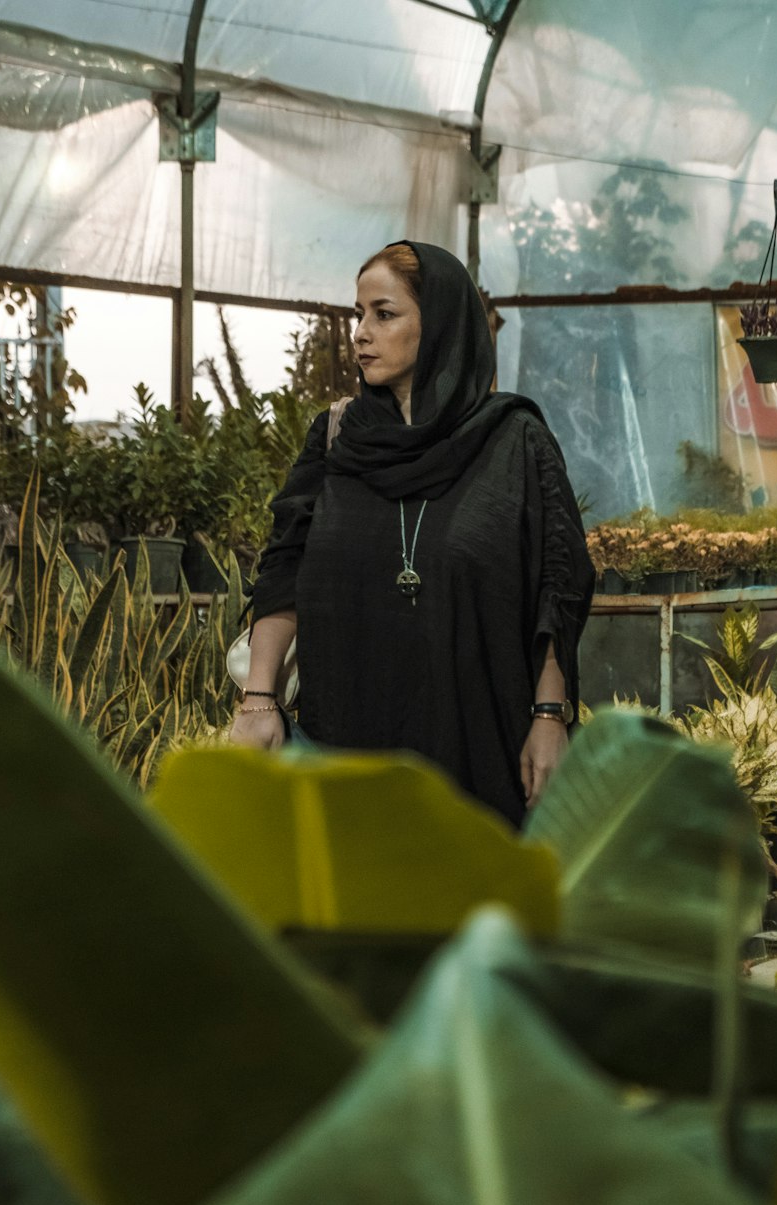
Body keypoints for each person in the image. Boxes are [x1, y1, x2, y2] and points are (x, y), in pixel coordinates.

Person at [229, 240, 594, 828]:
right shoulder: (336, 437)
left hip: (479, 750)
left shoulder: (514, 441)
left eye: (384, 313)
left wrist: (549, 717)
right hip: (346, 751)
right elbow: (283, 573)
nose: (361, 333)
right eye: (358, 314)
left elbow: (556, 589)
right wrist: (258, 700)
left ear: (441, 323)